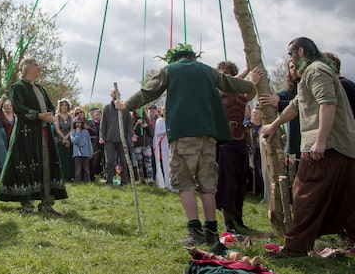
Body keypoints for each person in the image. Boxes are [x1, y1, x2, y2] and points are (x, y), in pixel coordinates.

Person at [115, 43, 264, 246]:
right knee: (207, 186)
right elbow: (232, 85)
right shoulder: (207, 71)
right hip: (209, 137)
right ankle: (211, 230)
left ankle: (194, 231)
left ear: (175, 60)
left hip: (183, 136)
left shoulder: (170, 70)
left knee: (184, 183)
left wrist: (126, 105)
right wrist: (252, 83)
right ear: (193, 58)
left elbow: (148, 92)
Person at [261, 37, 355, 258]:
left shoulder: (315, 70)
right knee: (346, 200)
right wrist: (274, 125)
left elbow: (327, 103)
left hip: (326, 148)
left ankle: (296, 248)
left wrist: (320, 141)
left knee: (305, 195)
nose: (290, 59)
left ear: (300, 51)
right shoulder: (315, 73)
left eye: (290, 54)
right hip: (342, 148)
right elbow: (295, 106)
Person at [0, 57, 68, 215]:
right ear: (26, 68)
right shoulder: (18, 87)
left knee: (47, 167)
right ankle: (27, 205)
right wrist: (38, 116)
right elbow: (18, 107)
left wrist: (50, 115)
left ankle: (47, 204)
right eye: (35, 66)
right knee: (25, 166)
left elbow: (49, 105)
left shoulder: (41, 89)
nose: (38, 68)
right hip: (26, 134)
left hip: (43, 134)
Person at [214, 61, 257, 235]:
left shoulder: (240, 93)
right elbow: (226, 86)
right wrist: (247, 72)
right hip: (224, 141)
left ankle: (238, 218)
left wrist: (251, 76)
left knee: (241, 181)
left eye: (227, 73)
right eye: (221, 73)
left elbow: (251, 92)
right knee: (227, 182)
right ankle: (228, 222)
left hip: (240, 139)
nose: (224, 76)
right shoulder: (218, 91)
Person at [99, 87, 134, 185]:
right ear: (111, 95)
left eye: (117, 92)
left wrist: (132, 135)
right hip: (110, 139)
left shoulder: (125, 108)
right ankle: (109, 180)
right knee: (109, 161)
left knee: (123, 161)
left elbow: (129, 124)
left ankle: (124, 181)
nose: (115, 94)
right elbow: (103, 124)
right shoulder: (107, 108)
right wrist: (102, 136)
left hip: (122, 140)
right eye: (114, 93)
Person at [131, 108, 155, 184]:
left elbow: (151, 134)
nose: (137, 111)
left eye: (139, 109)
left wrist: (146, 126)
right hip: (137, 145)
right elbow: (130, 132)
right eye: (136, 109)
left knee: (148, 163)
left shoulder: (147, 120)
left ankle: (150, 180)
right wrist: (136, 126)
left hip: (146, 145)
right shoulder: (132, 121)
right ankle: (142, 180)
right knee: (139, 164)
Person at [53, 99, 74, 181]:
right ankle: (62, 176)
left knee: (69, 158)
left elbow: (71, 129)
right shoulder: (57, 116)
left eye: (66, 105)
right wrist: (63, 138)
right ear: (60, 107)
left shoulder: (70, 117)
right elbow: (57, 129)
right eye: (62, 105)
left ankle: (69, 176)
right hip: (59, 139)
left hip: (69, 139)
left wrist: (67, 138)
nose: (64, 107)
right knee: (61, 158)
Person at [70, 118, 93, 182]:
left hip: (86, 153)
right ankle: (78, 181)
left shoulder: (86, 132)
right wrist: (78, 133)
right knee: (78, 169)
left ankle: (87, 180)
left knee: (86, 168)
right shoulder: (73, 132)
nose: (78, 124)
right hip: (77, 153)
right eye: (77, 123)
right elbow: (74, 141)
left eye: (79, 123)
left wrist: (90, 152)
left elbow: (89, 142)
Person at [87, 107, 104, 182]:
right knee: (94, 159)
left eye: (98, 115)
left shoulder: (104, 123)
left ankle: (103, 173)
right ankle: (94, 173)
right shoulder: (91, 123)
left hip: (104, 144)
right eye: (96, 115)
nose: (97, 116)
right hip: (95, 144)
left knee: (104, 160)